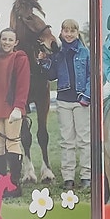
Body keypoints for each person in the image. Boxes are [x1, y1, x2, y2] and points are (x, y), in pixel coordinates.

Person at [42, 19, 91, 190]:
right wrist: (44, 61)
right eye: (66, 31)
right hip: (63, 100)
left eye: (72, 31)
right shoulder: (57, 53)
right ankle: (68, 178)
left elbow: (91, 76)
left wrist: (87, 95)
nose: (69, 34)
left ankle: (86, 176)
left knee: (84, 140)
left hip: (81, 100)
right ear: (61, 33)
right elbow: (51, 76)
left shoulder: (85, 52)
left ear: (77, 33)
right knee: (67, 140)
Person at [0, 28, 30, 198]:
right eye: (4, 39)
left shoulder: (20, 58)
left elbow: (23, 84)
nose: (6, 42)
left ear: (16, 42)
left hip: (12, 108)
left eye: (10, 40)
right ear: (0, 40)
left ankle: (14, 184)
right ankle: (1, 183)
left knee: (12, 143)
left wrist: (19, 107)